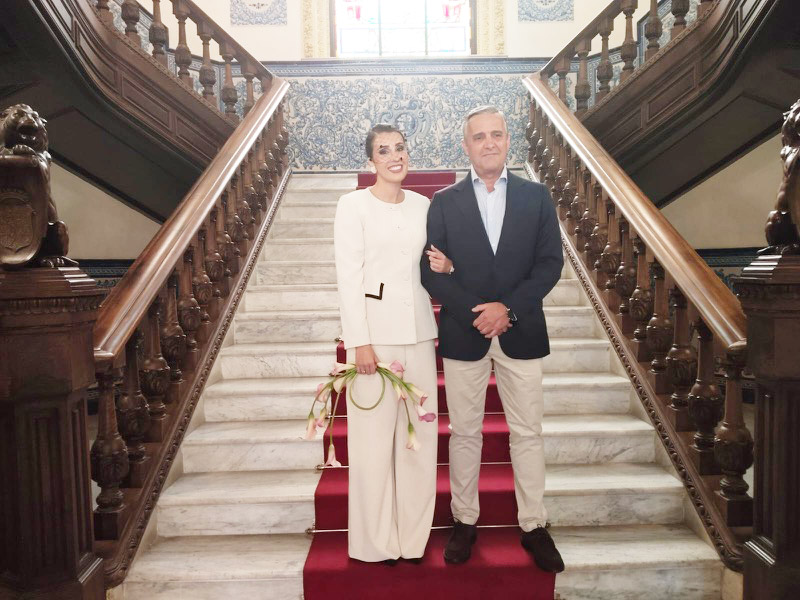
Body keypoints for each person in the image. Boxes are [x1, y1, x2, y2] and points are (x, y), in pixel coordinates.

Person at [421, 105, 565, 573]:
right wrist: (478, 313)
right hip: (465, 332)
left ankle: (534, 525)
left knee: (527, 433)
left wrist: (509, 310)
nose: (489, 143)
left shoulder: (536, 196)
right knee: (465, 433)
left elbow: (550, 264)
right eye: (479, 136)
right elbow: (431, 272)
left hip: (522, 330)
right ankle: (464, 521)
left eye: (496, 135)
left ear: (507, 141)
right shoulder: (444, 201)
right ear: (466, 146)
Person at [334, 123, 453, 563]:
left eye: (399, 148)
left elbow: (431, 264)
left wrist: (448, 265)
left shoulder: (424, 205)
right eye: (383, 150)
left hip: (419, 332)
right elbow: (348, 278)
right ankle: (374, 543)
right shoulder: (353, 205)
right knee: (371, 443)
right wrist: (359, 342)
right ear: (371, 161)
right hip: (375, 339)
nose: (394, 156)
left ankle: (412, 539)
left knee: (419, 440)